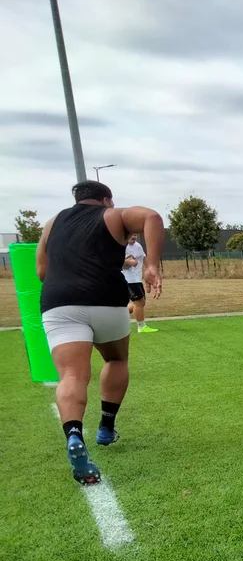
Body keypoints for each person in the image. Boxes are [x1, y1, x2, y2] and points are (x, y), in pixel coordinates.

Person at [36, 181, 163, 485]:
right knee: (116, 360)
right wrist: (153, 265)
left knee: (72, 375)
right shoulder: (113, 215)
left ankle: (74, 435)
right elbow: (152, 217)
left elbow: (42, 272)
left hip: (59, 303)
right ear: (107, 199)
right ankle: (106, 427)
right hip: (106, 300)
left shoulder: (52, 223)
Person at [123, 233, 158, 333]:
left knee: (139, 303)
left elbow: (144, 258)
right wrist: (128, 262)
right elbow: (112, 260)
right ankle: (141, 326)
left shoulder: (138, 246)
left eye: (135, 234)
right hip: (128, 279)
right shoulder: (121, 246)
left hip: (137, 279)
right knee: (139, 302)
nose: (133, 237)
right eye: (131, 234)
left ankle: (116, 316)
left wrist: (150, 269)